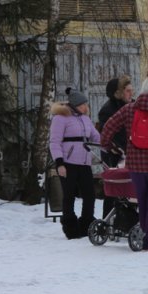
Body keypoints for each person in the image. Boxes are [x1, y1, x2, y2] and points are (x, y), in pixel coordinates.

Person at [101, 68, 148, 251]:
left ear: (143, 91)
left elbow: (109, 126)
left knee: (142, 201)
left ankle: (144, 235)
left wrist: (106, 144)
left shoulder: (129, 109)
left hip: (136, 165)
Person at [49, 87, 101, 239]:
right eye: (83, 104)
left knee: (89, 195)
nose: (86, 107)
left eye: (86, 104)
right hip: (67, 163)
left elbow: (96, 137)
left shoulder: (85, 118)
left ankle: (86, 224)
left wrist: (108, 144)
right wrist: (59, 163)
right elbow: (54, 142)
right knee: (69, 195)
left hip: (84, 162)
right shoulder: (60, 118)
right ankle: (70, 226)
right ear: (75, 105)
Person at [96, 75, 133, 218]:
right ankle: (108, 220)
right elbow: (110, 134)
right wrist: (123, 149)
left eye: (131, 90)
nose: (131, 93)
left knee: (131, 189)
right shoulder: (107, 110)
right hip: (114, 155)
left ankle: (128, 219)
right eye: (127, 91)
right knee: (114, 189)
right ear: (118, 93)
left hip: (130, 154)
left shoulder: (132, 105)